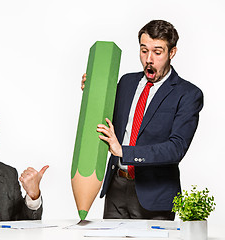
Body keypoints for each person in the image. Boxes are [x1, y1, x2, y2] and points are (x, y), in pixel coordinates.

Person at [81, 20, 203, 220]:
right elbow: (106, 118)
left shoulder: (188, 94)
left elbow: (176, 148)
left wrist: (124, 151)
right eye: (144, 50)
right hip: (116, 189)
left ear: (172, 53)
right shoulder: (126, 82)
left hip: (155, 196)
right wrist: (93, 91)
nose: (149, 59)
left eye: (157, 52)